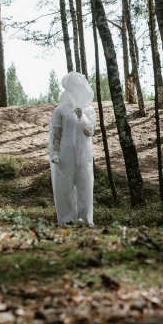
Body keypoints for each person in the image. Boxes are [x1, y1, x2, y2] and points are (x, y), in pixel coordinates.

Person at [49, 72, 96, 226]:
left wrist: (82, 117)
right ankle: (67, 219)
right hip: (65, 153)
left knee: (85, 186)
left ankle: (85, 220)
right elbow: (55, 134)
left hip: (84, 154)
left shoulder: (89, 110)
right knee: (65, 188)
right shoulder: (60, 110)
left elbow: (90, 132)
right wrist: (55, 153)